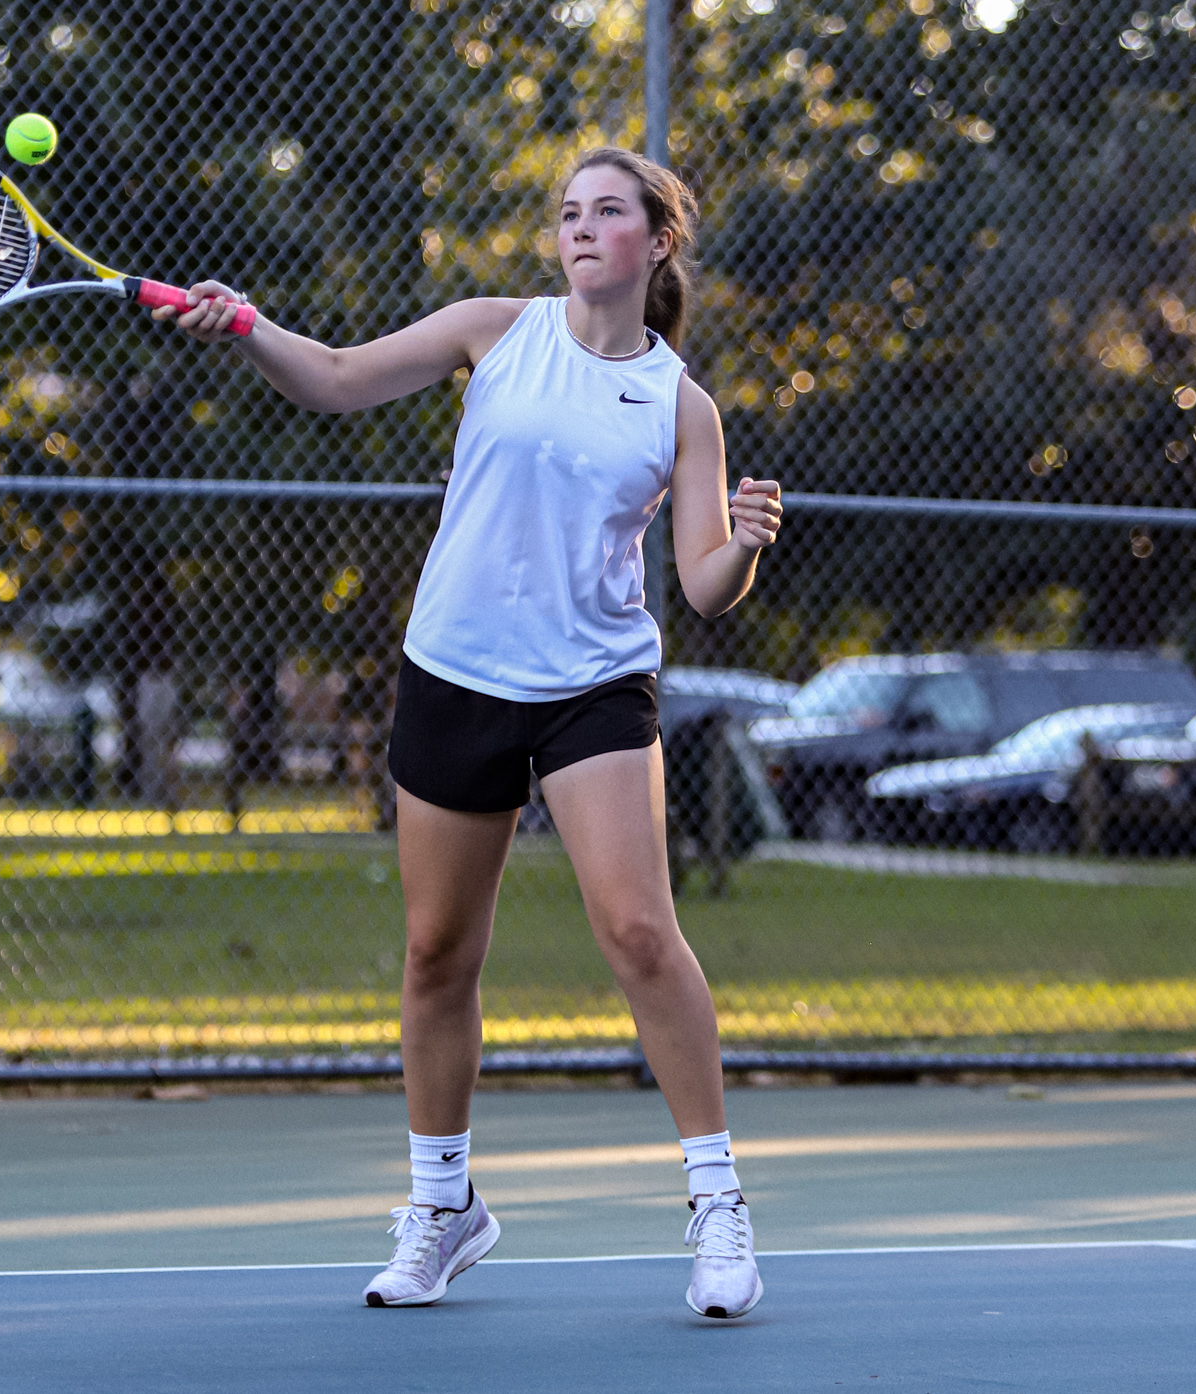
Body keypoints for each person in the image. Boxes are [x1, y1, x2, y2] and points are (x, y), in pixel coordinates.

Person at [159, 147, 783, 1318]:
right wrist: (245, 325)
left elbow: (700, 584)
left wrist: (743, 538)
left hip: (594, 683)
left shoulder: (678, 404)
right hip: (454, 669)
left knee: (639, 928)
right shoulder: (494, 330)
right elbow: (337, 376)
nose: (580, 227)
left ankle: (716, 1206)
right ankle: (442, 1206)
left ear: (654, 244)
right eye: (566, 212)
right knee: (436, 950)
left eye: (607, 212)